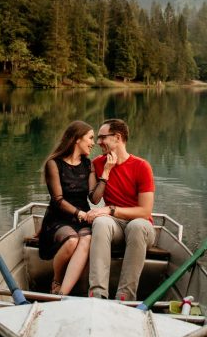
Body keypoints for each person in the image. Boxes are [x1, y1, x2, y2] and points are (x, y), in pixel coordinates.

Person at [86, 118, 156, 301]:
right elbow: (94, 199)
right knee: (101, 222)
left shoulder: (141, 166)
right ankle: (97, 295)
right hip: (114, 226)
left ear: (117, 137)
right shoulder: (98, 163)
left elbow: (145, 211)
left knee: (136, 226)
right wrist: (106, 172)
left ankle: (125, 297)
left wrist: (110, 210)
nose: (98, 142)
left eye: (102, 137)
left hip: (141, 227)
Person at [38, 120, 98, 295]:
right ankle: (56, 281)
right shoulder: (53, 164)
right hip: (58, 218)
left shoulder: (88, 164)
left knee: (86, 239)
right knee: (71, 241)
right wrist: (80, 213)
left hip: (82, 218)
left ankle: (67, 290)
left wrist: (106, 175)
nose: (93, 143)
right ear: (77, 139)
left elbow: (94, 198)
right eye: (90, 138)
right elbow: (58, 200)